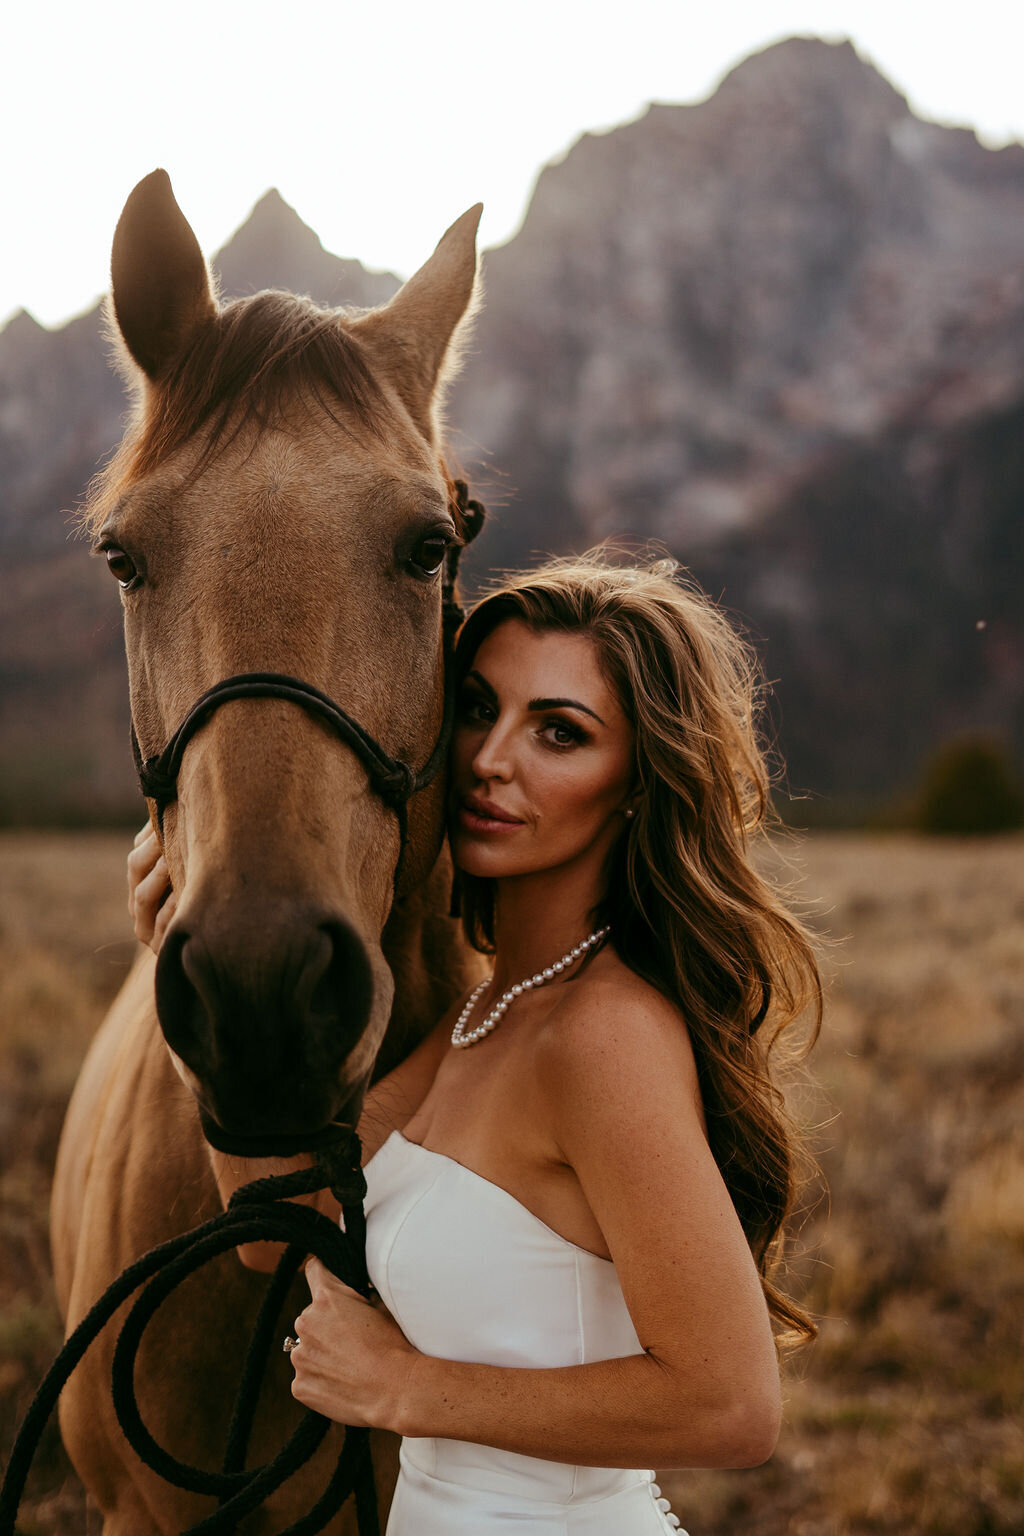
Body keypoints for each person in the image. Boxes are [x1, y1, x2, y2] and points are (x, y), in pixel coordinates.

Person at [128, 549, 822, 1535]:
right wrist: (185, 975)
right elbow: (272, 1224)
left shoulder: (602, 1034)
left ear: (636, 779)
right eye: (475, 710)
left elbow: (730, 1406)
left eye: (559, 732)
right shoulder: (488, 1015)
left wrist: (405, 1388)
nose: (491, 759)